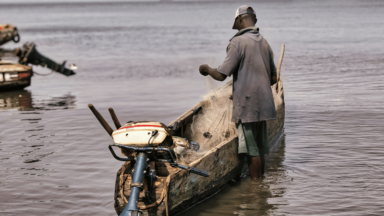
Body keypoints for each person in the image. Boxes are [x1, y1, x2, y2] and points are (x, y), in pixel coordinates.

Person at [199, 5, 277, 180]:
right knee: (260, 147)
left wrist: (207, 69)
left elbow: (221, 75)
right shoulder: (264, 42)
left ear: (241, 20)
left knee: (251, 150)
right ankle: (262, 181)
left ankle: (256, 188)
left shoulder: (237, 43)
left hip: (247, 106)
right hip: (264, 104)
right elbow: (273, 79)